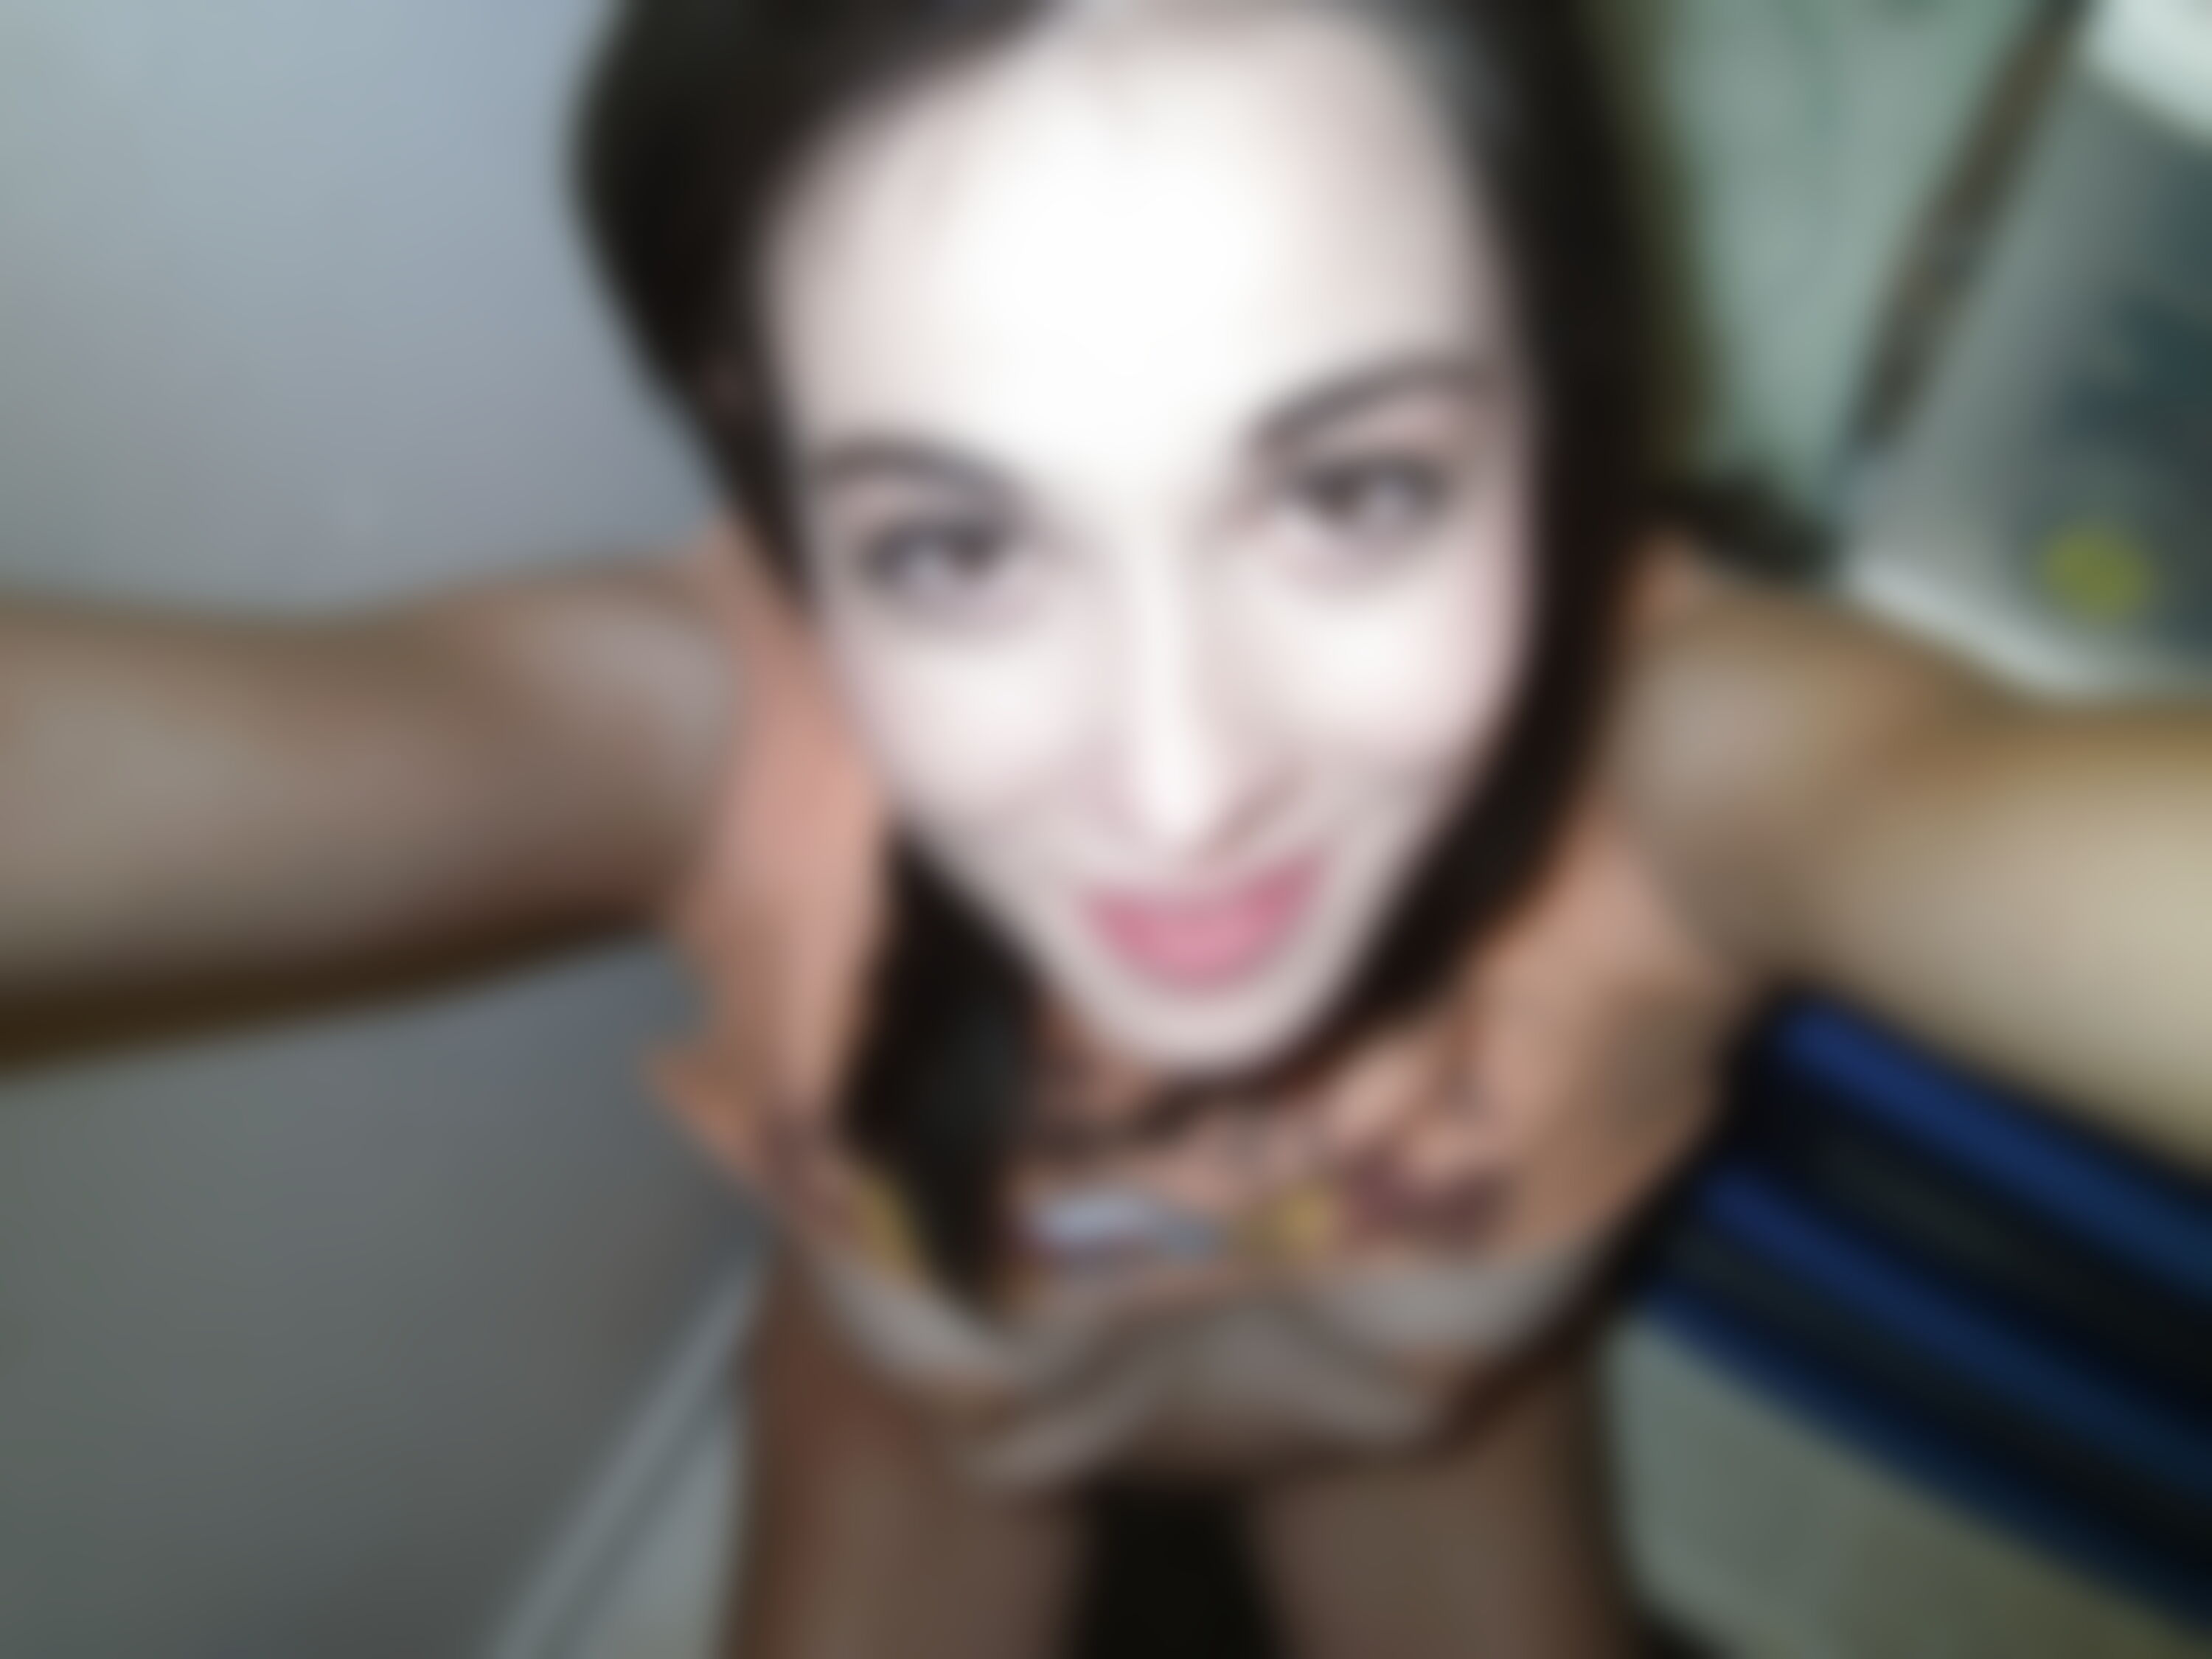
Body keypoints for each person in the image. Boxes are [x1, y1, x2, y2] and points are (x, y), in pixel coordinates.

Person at [2, 1, 2208, 1655]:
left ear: (1557, 375)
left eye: (1355, 491)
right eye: (956, 545)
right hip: (943, 1420)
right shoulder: (693, 723)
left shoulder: (1691, 747)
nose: (1179, 793)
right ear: (773, 458)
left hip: (1430, 1420)